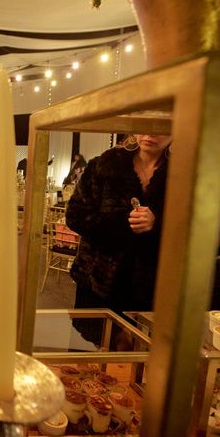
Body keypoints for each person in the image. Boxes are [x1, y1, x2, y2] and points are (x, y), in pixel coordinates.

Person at [66, 134, 170, 318]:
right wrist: (123, 222)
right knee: (88, 343)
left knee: (140, 345)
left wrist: (158, 223)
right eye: (144, 123)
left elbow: (195, 232)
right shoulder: (103, 166)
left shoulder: (182, 176)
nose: (150, 133)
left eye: (162, 127)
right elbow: (75, 216)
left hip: (153, 288)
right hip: (96, 282)